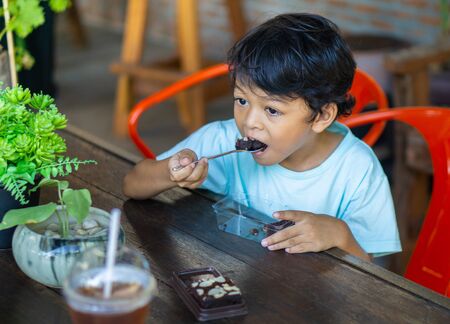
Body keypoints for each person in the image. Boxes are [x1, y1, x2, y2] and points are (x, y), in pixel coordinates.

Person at [123, 13, 401, 261]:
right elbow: (132, 185)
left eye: (272, 110)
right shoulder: (221, 139)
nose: (249, 123)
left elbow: (371, 272)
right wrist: (169, 172)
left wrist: (340, 235)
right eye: (241, 101)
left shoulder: (357, 170)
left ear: (321, 116)